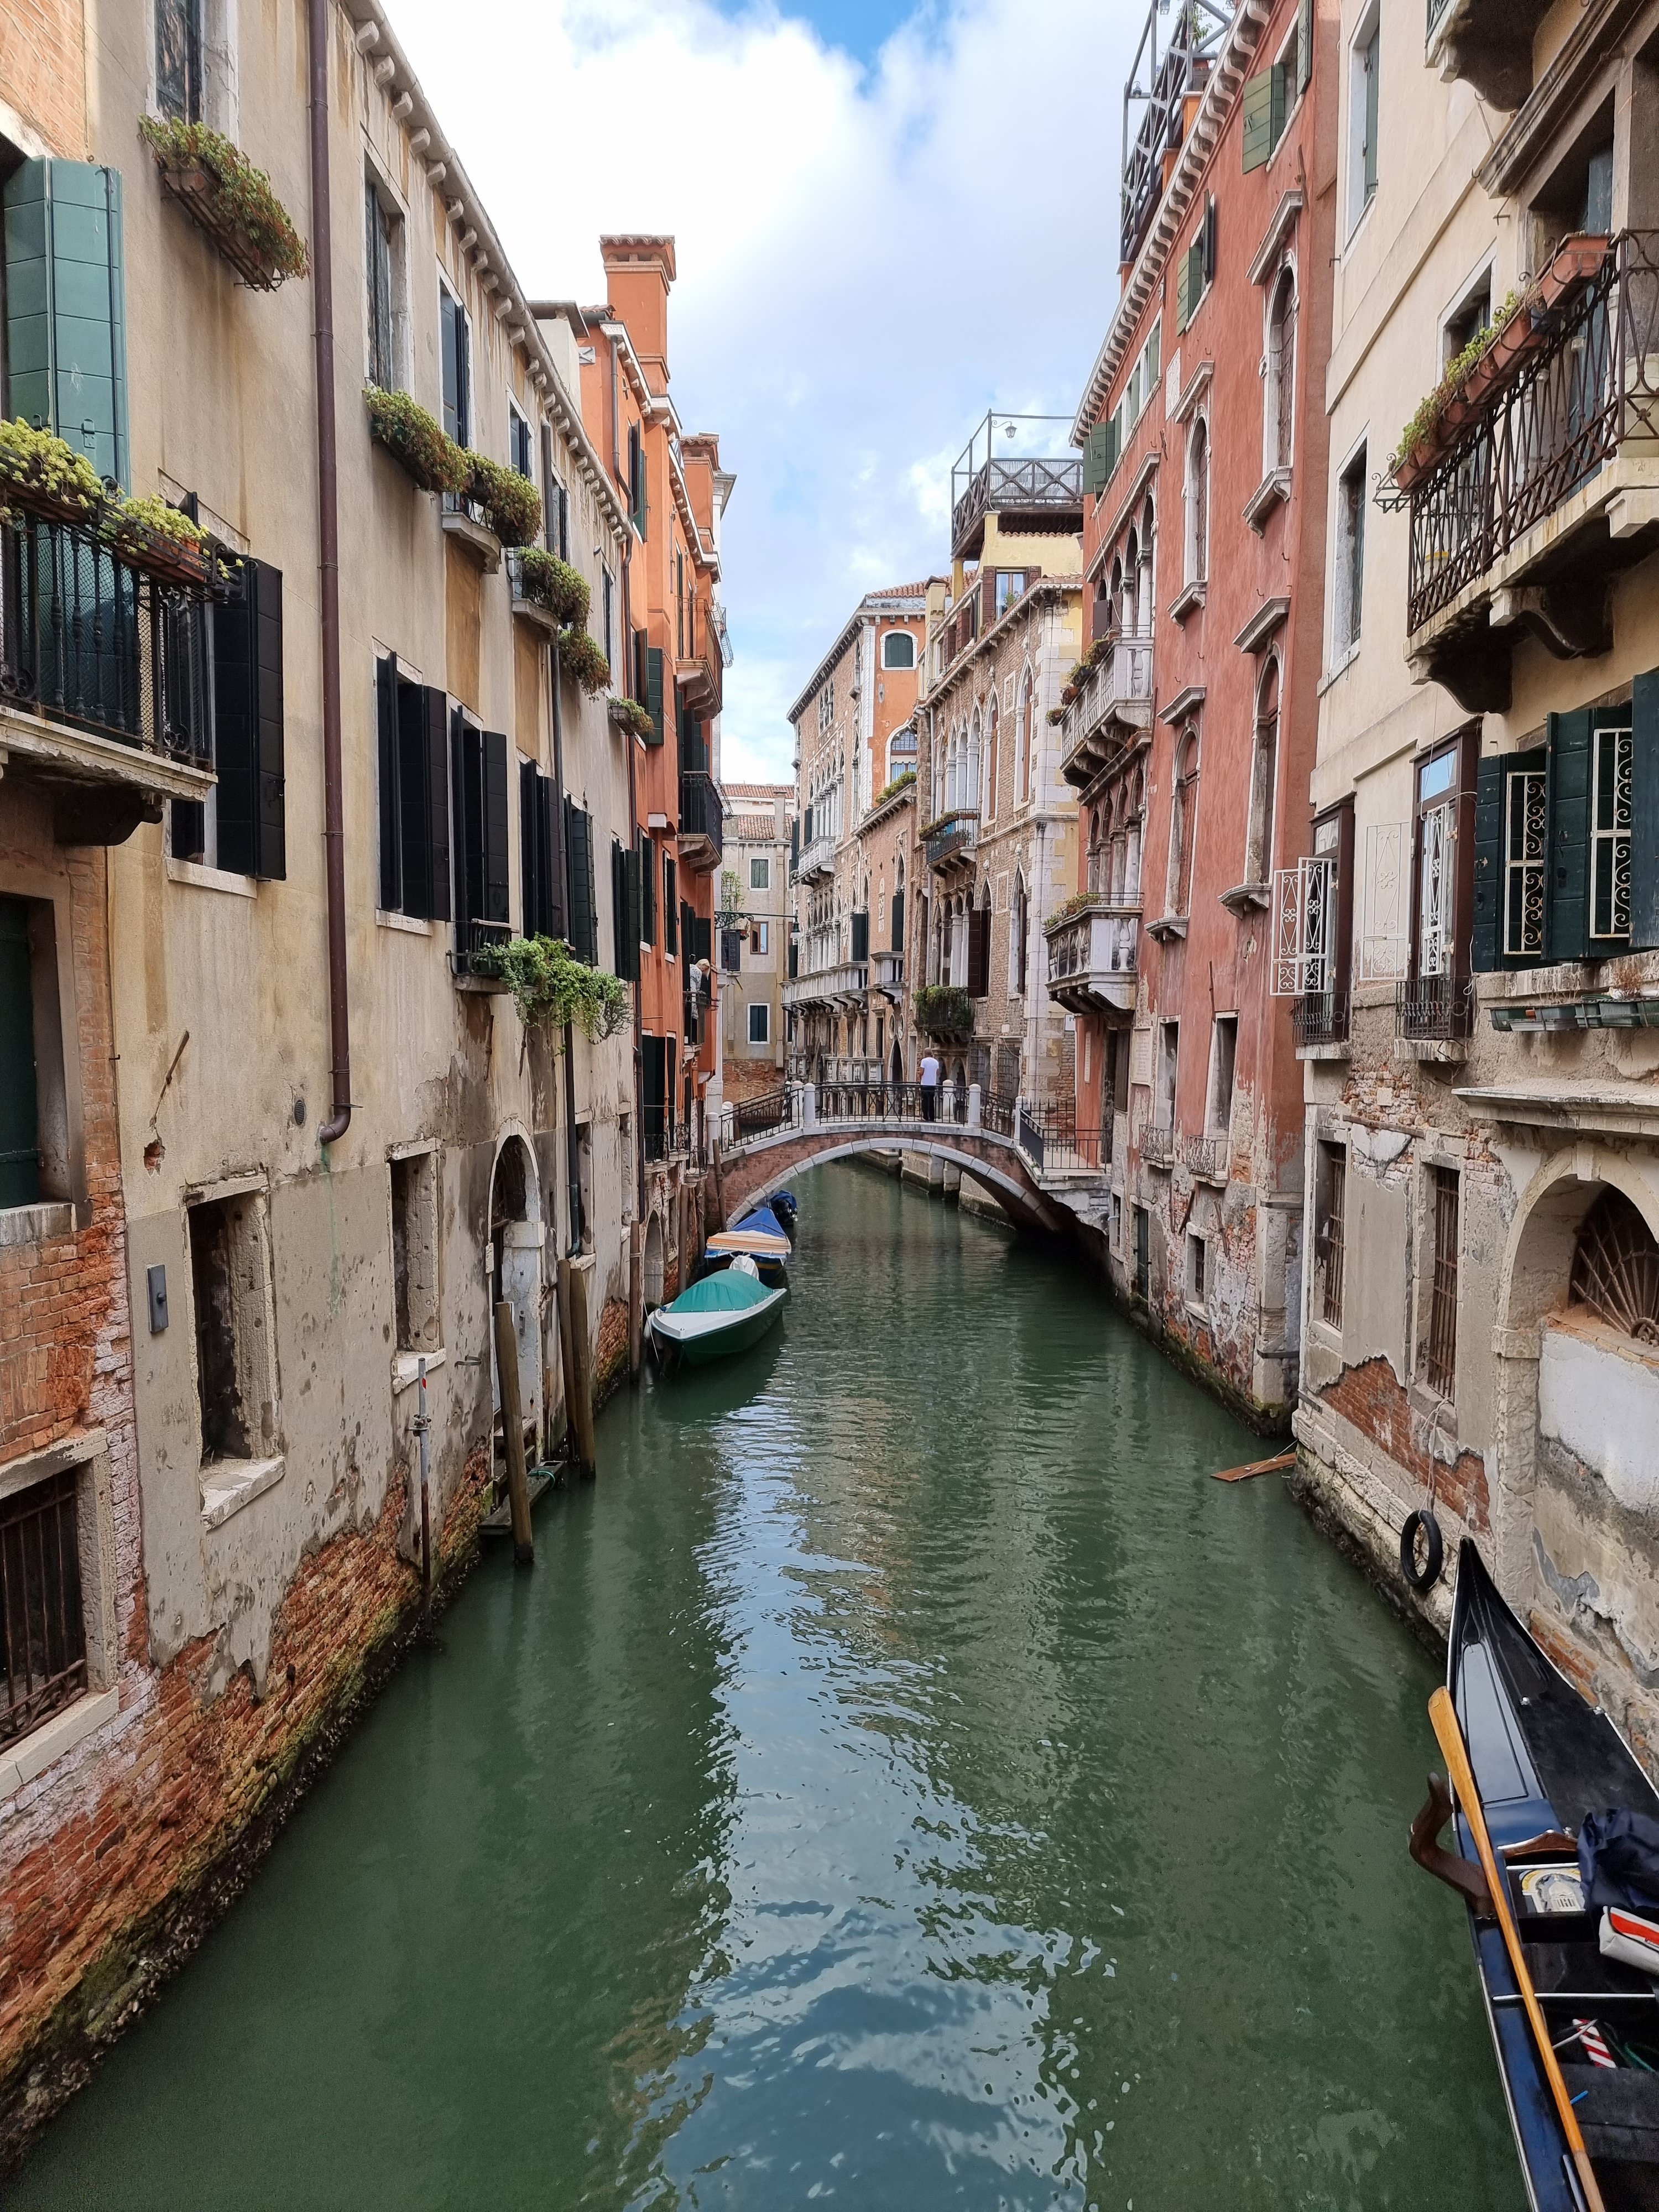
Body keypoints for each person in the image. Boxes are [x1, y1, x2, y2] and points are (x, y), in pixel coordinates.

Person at [919, 1050, 940, 1120]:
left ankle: (925, 1117)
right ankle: (932, 1118)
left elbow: (921, 1072)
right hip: (932, 1085)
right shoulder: (936, 1062)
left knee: (925, 1100)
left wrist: (920, 1077)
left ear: (925, 1054)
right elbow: (938, 1073)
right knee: (931, 1101)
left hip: (925, 1084)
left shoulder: (924, 1061)